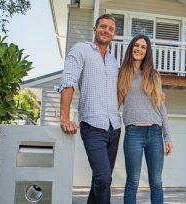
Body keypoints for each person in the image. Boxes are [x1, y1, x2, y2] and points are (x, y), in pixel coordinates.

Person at [56, 14, 121, 204]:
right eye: (102, 26)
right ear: (95, 29)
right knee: (103, 178)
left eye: (110, 28)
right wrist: (64, 117)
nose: (106, 30)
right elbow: (68, 81)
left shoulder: (113, 61)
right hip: (93, 126)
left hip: (115, 127)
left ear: (114, 34)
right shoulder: (81, 50)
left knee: (99, 181)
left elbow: (124, 87)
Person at [118, 34, 173, 204]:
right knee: (132, 182)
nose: (139, 49)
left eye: (143, 47)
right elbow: (115, 102)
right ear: (131, 47)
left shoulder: (154, 75)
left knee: (156, 182)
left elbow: (160, 106)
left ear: (147, 51)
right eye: (136, 45)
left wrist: (167, 136)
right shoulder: (122, 73)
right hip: (133, 133)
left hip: (155, 133)